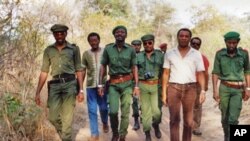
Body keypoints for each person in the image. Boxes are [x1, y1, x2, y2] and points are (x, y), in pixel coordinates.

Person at [35, 24, 84, 141]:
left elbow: (79, 69)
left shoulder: (74, 48)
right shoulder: (48, 50)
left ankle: (66, 137)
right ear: (54, 35)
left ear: (66, 34)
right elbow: (44, 72)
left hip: (70, 84)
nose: (59, 35)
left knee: (67, 116)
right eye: (57, 34)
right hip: (55, 85)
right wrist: (37, 93)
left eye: (62, 33)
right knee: (52, 117)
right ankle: (65, 135)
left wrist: (81, 90)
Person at [162, 28, 206, 141]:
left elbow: (201, 73)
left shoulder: (196, 54)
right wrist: (163, 93)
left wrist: (203, 91)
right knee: (174, 120)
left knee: (188, 121)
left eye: (187, 36)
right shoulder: (169, 53)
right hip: (173, 88)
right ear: (178, 37)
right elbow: (166, 73)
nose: (184, 38)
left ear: (189, 38)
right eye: (181, 36)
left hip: (190, 89)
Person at [98, 25, 140, 141]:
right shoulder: (108, 49)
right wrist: (100, 84)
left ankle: (122, 135)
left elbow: (134, 67)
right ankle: (115, 133)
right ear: (114, 35)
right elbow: (103, 66)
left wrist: (136, 85)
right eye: (117, 32)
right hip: (113, 84)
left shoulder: (131, 49)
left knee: (125, 111)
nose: (120, 33)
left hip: (127, 84)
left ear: (125, 35)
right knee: (113, 111)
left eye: (122, 32)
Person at [212, 31, 250, 141]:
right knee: (224, 117)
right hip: (224, 88)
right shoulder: (220, 54)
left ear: (238, 42)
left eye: (234, 43)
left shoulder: (244, 54)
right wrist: (215, 91)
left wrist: (248, 88)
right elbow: (215, 72)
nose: (232, 45)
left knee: (233, 118)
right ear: (225, 42)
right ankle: (226, 135)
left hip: (238, 89)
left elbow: (247, 71)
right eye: (229, 43)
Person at [82, 32, 109, 141]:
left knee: (103, 108)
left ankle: (105, 122)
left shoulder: (105, 52)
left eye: (95, 40)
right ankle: (94, 134)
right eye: (91, 41)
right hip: (90, 86)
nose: (93, 42)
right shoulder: (85, 54)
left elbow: (110, 66)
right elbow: (82, 70)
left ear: (99, 40)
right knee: (92, 110)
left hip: (103, 85)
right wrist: (80, 88)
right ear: (89, 42)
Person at [137, 34, 163, 141]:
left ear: (153, 43)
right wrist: (136, 87)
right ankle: (147, 132)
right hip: (143, 85)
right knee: (145, 111)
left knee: (157, 111)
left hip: (156, 86)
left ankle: (156, 125)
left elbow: (165, 71)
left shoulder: (160, 55)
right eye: (145, 43)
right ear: (143, 44)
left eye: (150, 43)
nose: (147, 45)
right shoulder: (138, 56)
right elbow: (134, 71)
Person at [190, 37, 209, 136]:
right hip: (186, 84)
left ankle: (196, 127)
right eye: (193, 43)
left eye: (197, 44)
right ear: (190, 44)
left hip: (197, 85)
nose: (195, 45)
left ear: (200, 46)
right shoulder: (183, 56)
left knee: (197, 106)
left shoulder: (203, 58)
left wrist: (204, 87)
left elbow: (206, 73)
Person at [130, 39, 142, 130]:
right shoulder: (129, 55)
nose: (136, 46)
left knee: (144, 102)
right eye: (134, 45)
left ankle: (144, 116)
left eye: (138, 45)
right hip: (133, 82)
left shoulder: (144, 55)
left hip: (143, 82)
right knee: (135, 102)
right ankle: (136, 121)